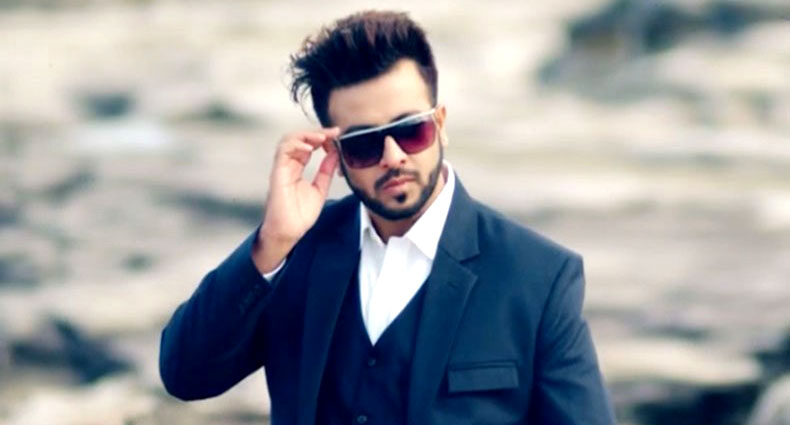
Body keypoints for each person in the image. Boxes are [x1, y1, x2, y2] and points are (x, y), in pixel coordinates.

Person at [159, 10, 616, 425]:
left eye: (410, 130)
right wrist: (272, 243)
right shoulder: (294, 252)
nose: (393, 156)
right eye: (364, 143)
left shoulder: (538, 278)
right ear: (336, 154)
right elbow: (186, 375)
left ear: (440, 124)